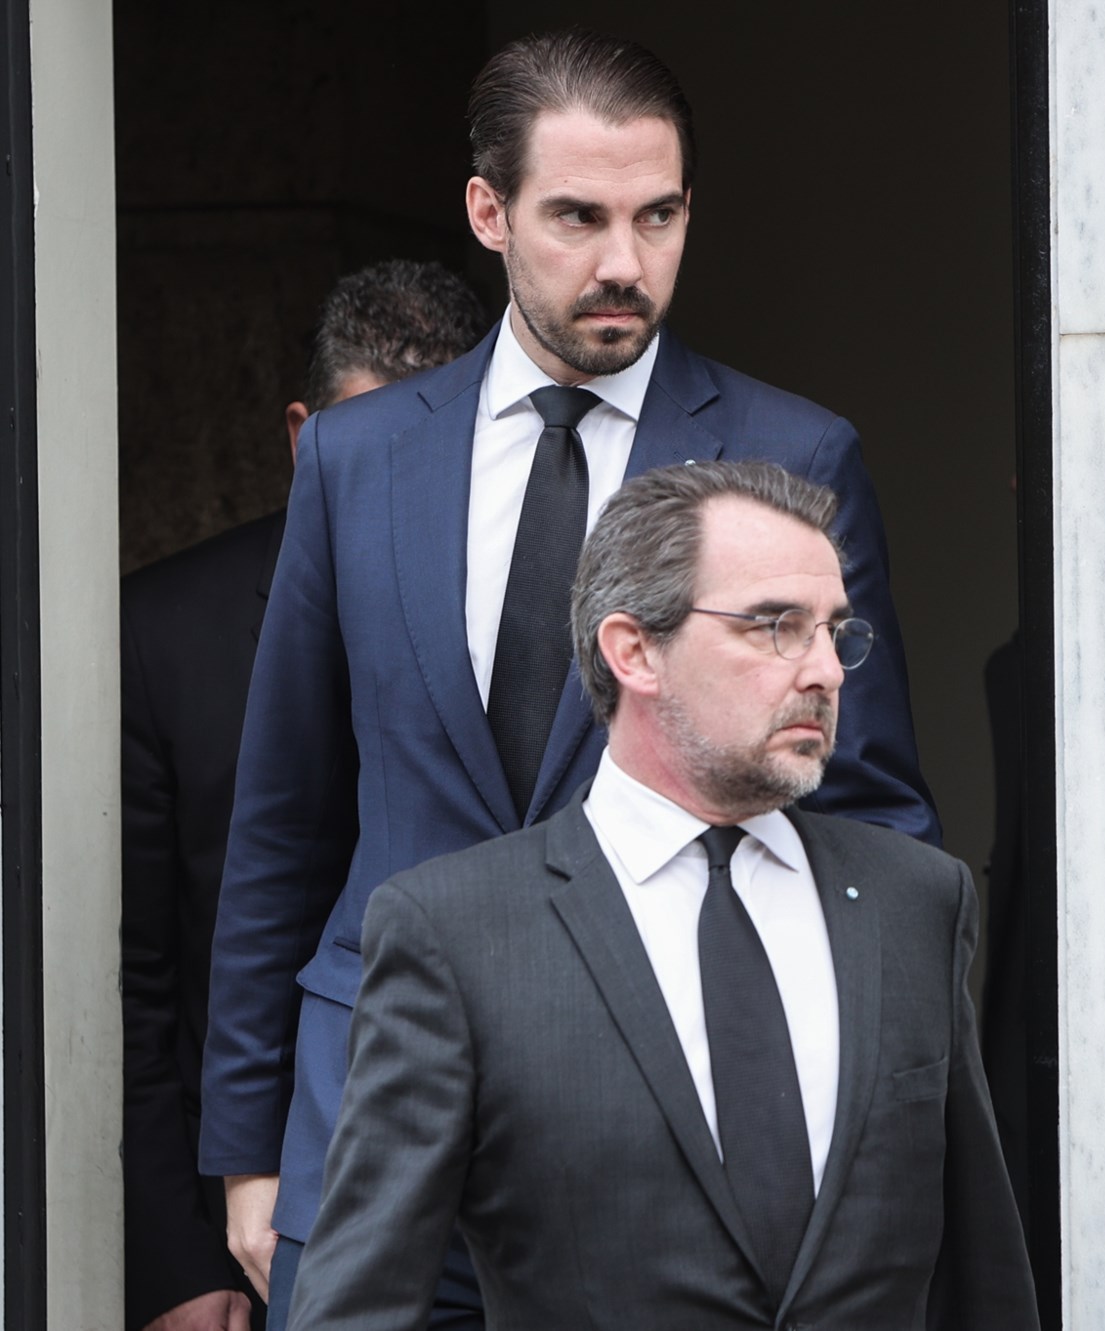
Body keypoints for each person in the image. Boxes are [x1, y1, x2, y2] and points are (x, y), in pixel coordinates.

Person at [199, 30, 941, 1329]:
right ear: (489, 212)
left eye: (658, 216)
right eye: (578, 216)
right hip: (363, 1117)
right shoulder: (357, 460)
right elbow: (284, 814)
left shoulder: (790, 452)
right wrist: (250, 1146)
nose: (623, 262)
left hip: (658, 1143)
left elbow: (869, 817)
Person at [285, 461, 1034, 1329]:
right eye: (777, 626)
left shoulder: (915, 900)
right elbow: (361, 1304)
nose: (827, 670)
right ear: (635, 650)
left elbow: (984, 1278)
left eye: (834, 630)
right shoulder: (457, 933)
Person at [122, 261, 485, 1331]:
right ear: (303, 438)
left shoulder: (536, 623)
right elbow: (135, 977)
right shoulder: (164, 634)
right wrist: (176, 1260)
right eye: (371, 448)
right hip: (245, 1227)